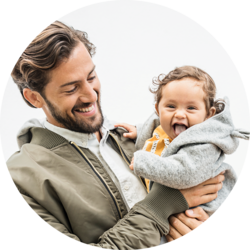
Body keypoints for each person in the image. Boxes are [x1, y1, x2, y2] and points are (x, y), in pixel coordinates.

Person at [4, 21, 224, 249]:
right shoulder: (20, 180)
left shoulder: (138, 140)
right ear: (34, 98)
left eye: (91, 77)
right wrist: (160, 205)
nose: (91, 95)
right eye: (71, 88)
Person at [115, 66, 250, 227]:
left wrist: (143, 163)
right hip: (166, 208)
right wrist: (138, 130)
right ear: (158, 109)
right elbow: (156, 127)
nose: (179, 114)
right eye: (171, 106)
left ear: (208, 114)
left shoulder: (204, 144)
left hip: (198, 213)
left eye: (191, 108)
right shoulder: (159, 129)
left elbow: (185, 173)